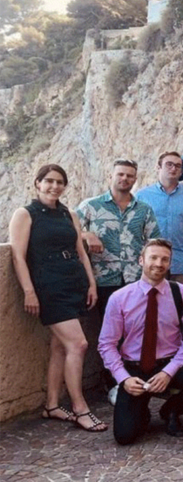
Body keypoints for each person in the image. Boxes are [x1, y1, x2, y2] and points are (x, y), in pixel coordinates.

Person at [10, 164, 105, 432]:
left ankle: (52, 405)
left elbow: (81, 251)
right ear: (37, 183)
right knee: (79, 344)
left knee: (60, 346)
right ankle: (80, 408)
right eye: (48, 181)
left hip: (73, 280)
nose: (54, 186)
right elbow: (18, 256)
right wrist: (29, 291)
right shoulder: (25, 214)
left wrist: (91, 284)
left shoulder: (69, 214)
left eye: (59, 182)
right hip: (47, 286)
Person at [98, 239, 183, 443]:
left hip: (170, 361)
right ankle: (141, 411)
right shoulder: (119, 298)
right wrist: (123, 378)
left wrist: (168, 372)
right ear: (141, 260)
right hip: (134, 368)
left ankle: (171, 411)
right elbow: (106, 344)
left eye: (165, 259)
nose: (159, 263)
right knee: (125, 436)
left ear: (169, 263)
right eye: (153, 257)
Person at [77, 159, 161, 315]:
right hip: (103, 279)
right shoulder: (90, 206)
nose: (124, 178)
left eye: (129, 176)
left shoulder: (144, 209)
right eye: (120, 174)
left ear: (135, 180)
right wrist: (87, 234)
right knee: (109, 329)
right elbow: (68, 230)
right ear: (111, 176)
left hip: (135, 279)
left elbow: (155, 242)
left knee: (135, 327)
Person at [137, 152, 183, 285]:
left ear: (182, 171)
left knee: (179, 302)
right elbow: (135, 229)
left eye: (178, 166)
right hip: (153, 263)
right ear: (158, 167)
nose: (173, 168)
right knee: (152, 302)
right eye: (169, 164)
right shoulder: (142, 196)